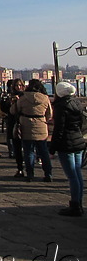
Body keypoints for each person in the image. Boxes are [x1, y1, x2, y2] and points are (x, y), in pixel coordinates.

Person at [50, 81, 85, 216]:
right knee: (77, 174)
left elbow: (59, 130)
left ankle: (75, 205)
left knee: (72, 176)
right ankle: (78, 202)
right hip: (78, 141)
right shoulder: (77, 104)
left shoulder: (61, 107)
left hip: (67, 143)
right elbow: (81, 124)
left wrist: (52, 149)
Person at [12, 79, 53, 182]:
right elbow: (49, 114)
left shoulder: (23, 98)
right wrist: (44, 120)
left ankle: (30, 174)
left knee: (28, 151)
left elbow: (13, 110)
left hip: (26, 125)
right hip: (41, 126)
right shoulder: (45, 98)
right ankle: (48, 173)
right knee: (43, 151)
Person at [5, 78, 26, 178]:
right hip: (13, 123)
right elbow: (6, 110)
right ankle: (20, 168)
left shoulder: (25, 97)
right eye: (16, 86)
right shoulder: (9, 96)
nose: (18, 87)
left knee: (27, 146)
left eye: (20, 85)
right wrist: (10, 102)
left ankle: (29, 167)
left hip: (24, 123)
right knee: (17, 146)